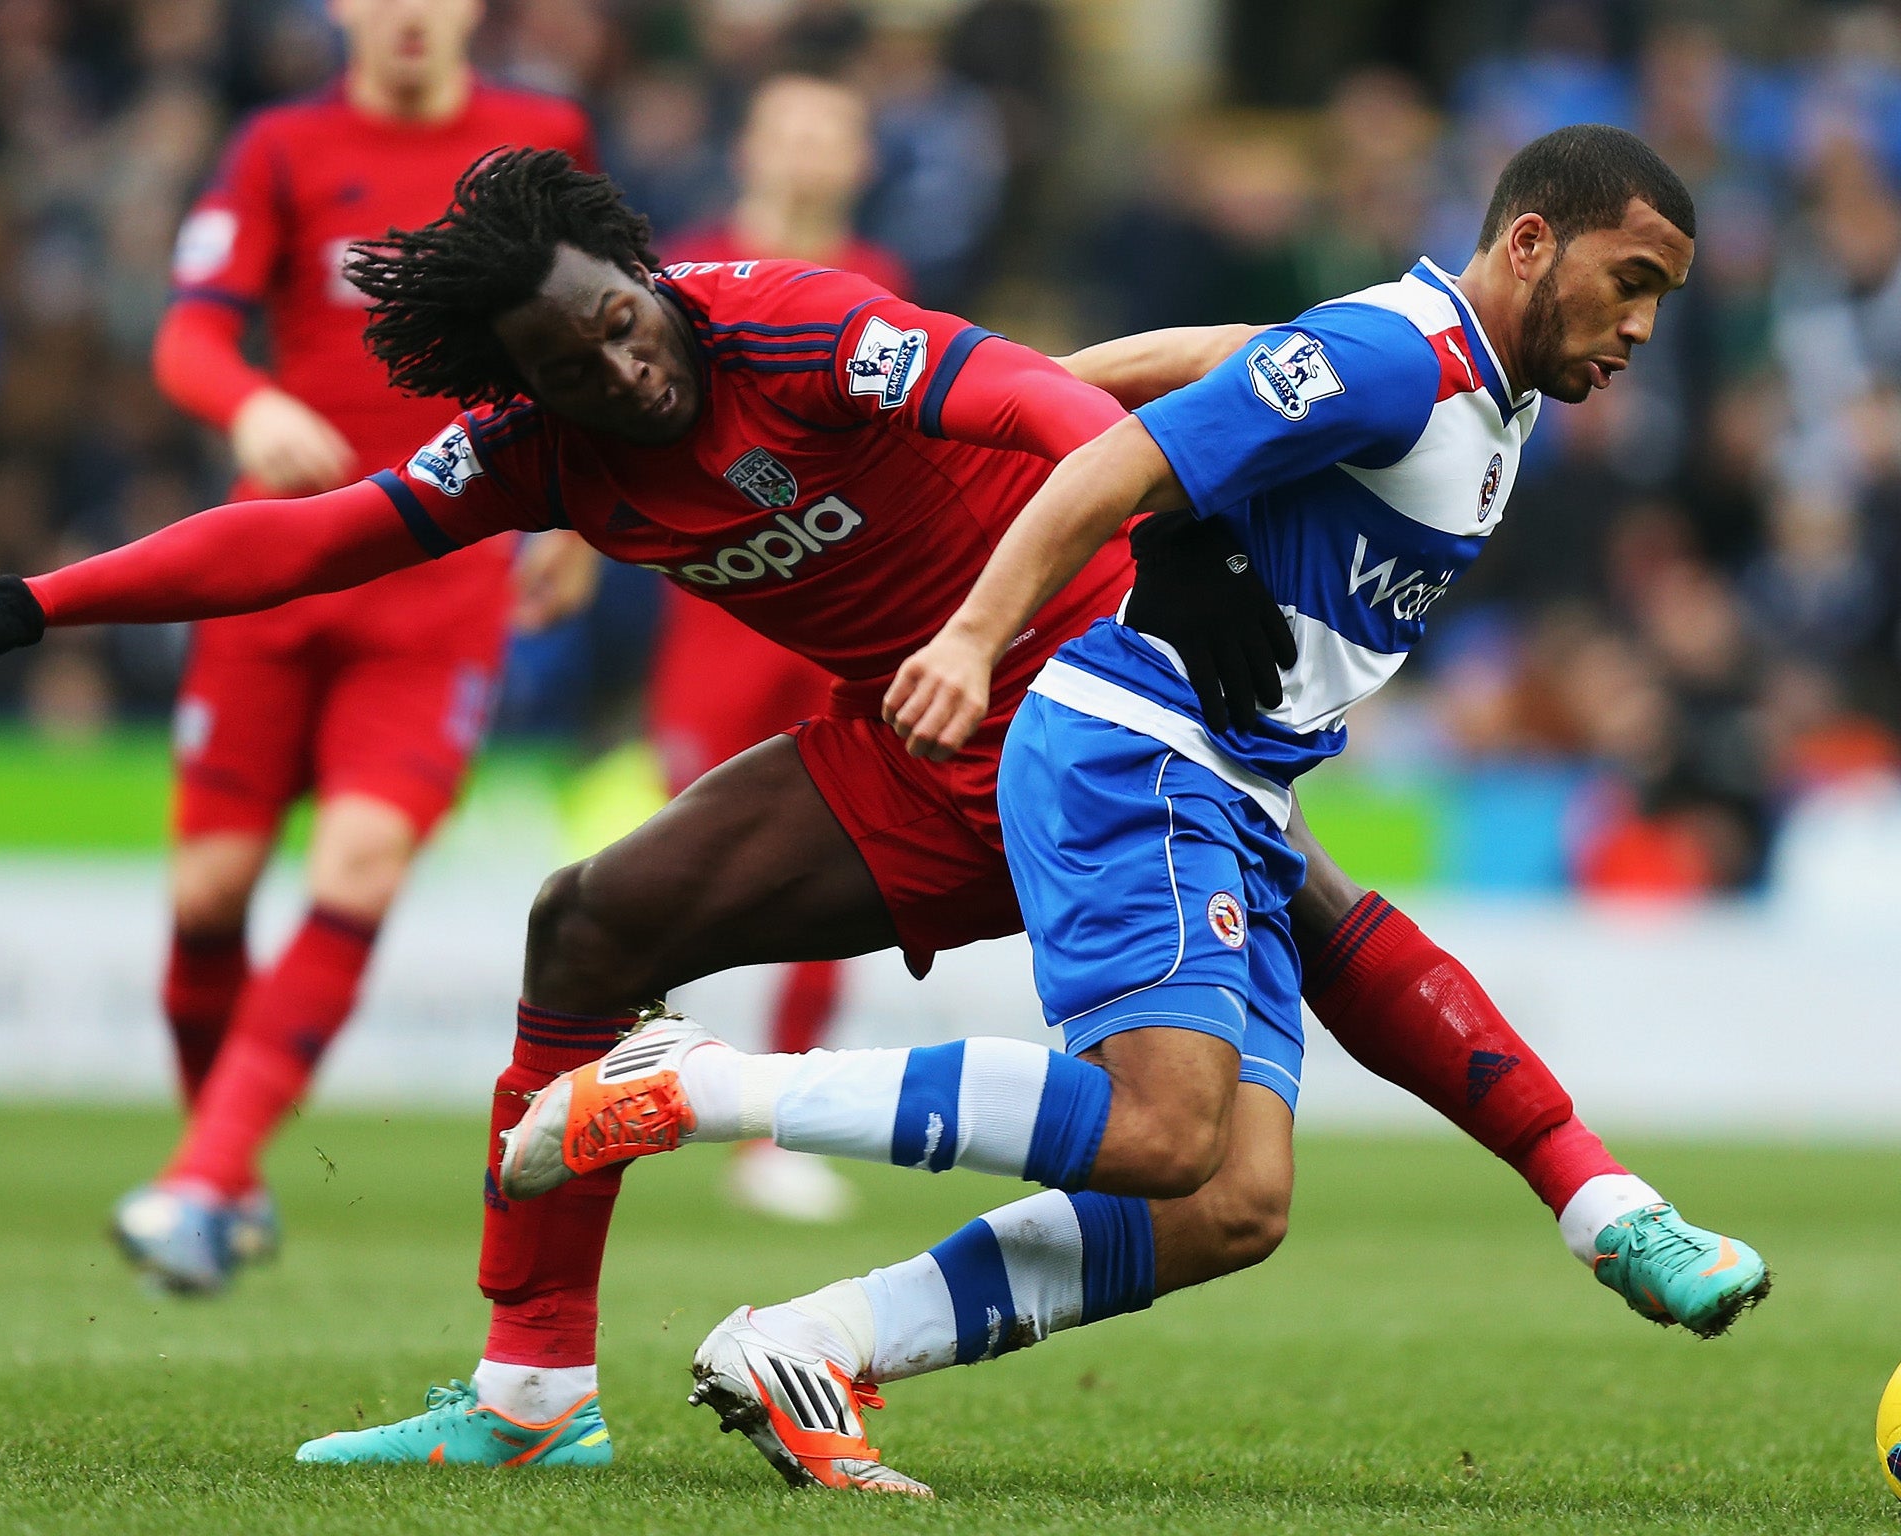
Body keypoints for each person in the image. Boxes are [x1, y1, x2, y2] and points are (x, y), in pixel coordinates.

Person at [0, 148, 1751, 1476]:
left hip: (1078, 675)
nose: (613, 360)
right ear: (522, 386)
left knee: (1258, 1040)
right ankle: (541, 1386)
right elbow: (311, 535)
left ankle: (1593, 1192)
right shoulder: (549, 451)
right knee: (588, 929)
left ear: (644, 268)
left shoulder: (778, 323)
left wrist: (1033, 569)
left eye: (614, 314)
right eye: (564, 360)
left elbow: (1023, 403)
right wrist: (37, 601)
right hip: (907, 742)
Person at [497, 125, 1769, 1496]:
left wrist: (1034, 386)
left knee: (1230, 1203)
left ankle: (813, 1344)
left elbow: (1220, 356)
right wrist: (974, 634)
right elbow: (1122, 463)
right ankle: (697, 1083)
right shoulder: (1409, 358)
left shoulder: (1469, 385)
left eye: (1662, 299)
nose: (1642, 325)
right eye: (1630, 280)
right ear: (1533, 243)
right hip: (1134, 745)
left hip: (1233, 777)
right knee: (1161, 1125)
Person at [116, 0, 595, 1292]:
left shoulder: (538, 139)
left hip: (437, 580)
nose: (406, 12)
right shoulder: (278, 146)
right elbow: (189, 332)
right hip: (275, 567)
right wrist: (251, 398)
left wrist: (593, 507)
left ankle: (204, 1177)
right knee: (209, 896)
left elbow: (605, 336)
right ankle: (225, 1171)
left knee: (361, 863)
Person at [657, 72, 912, 1222]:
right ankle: (644, 1083)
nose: (808, 150)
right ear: (747, 145)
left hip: (846, 614)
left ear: (857, 160)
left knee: (847, 858)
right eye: (789, 127)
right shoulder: (676, 278)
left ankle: (773, 1131)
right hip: (716, 612)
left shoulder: (881, 286)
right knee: (683, 858)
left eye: (831, 131)